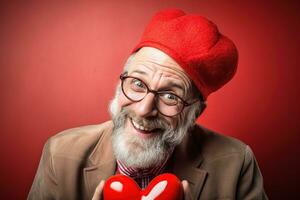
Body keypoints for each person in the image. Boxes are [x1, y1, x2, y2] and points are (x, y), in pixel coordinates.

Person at [28, 9, 268, 200]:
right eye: (137, 84)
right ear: (120, 80)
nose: (144, 110)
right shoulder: (60, 155)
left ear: (195, 113)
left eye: (170, 96)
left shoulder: (236, 164)